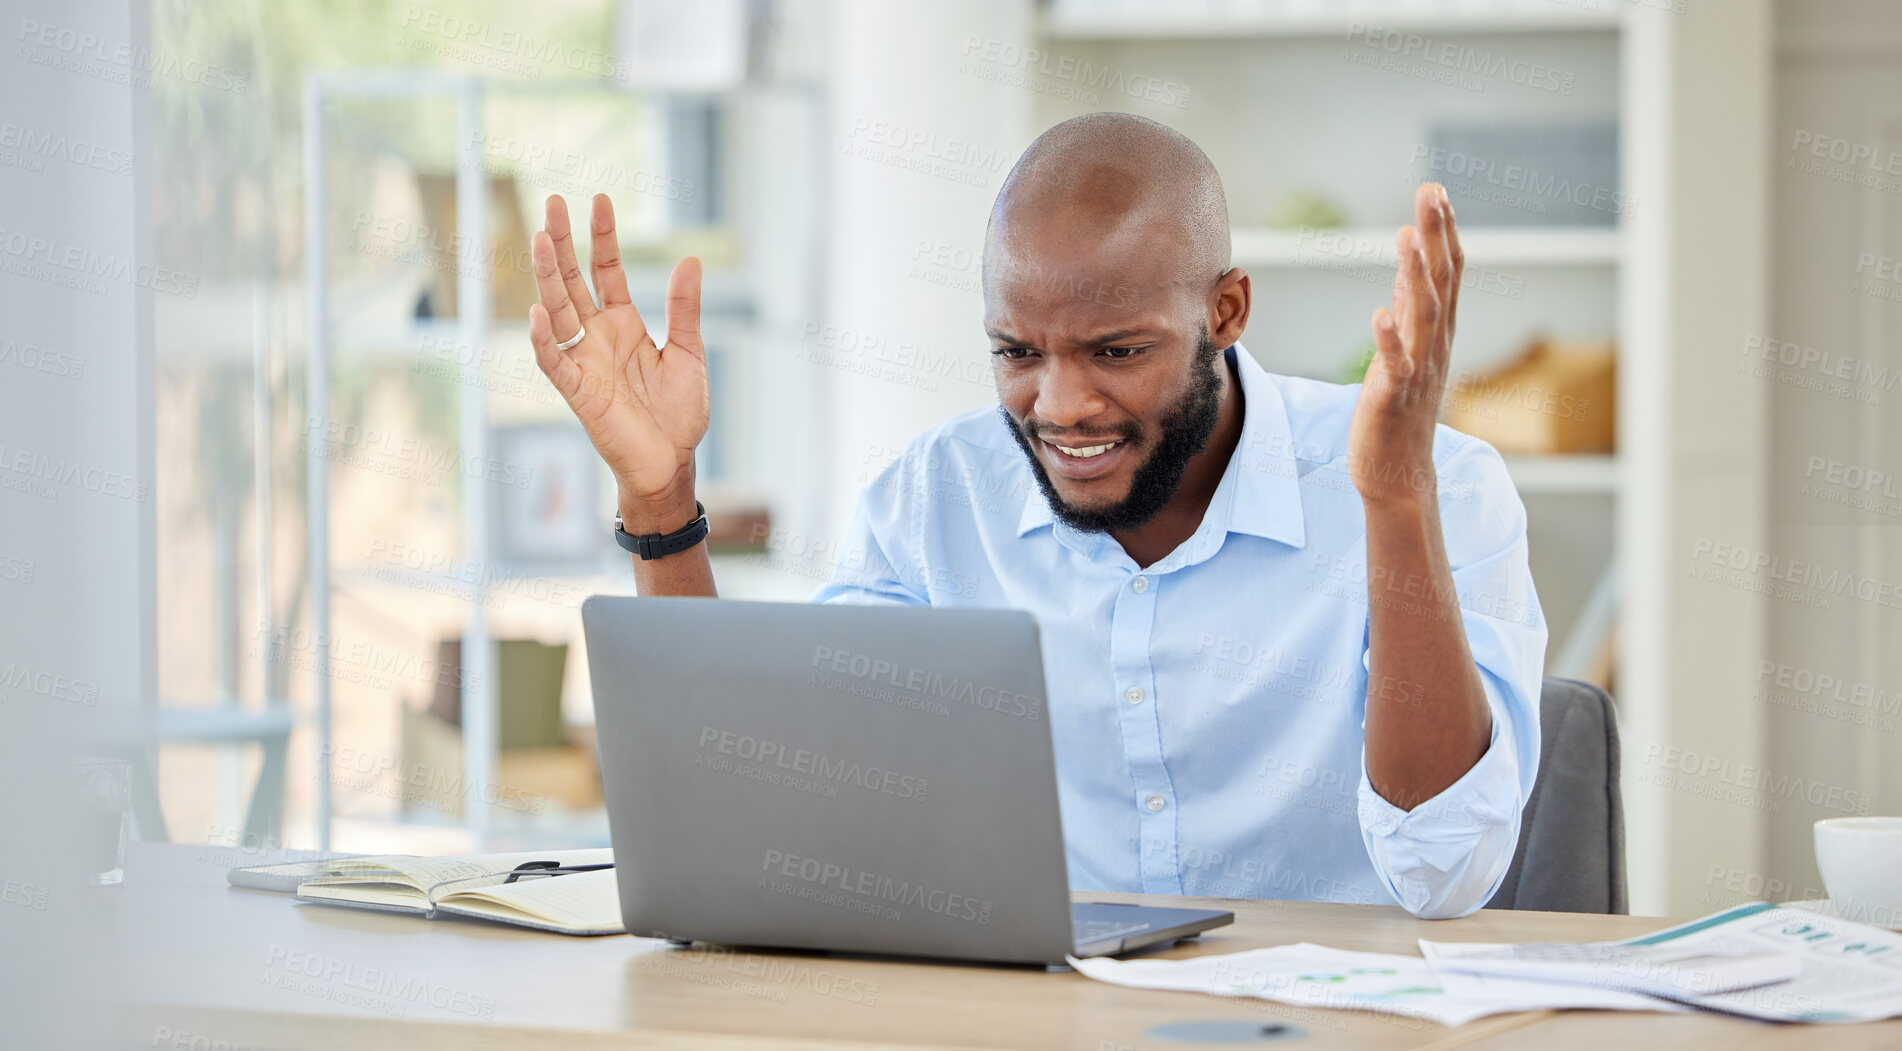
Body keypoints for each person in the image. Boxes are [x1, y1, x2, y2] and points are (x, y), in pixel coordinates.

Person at [526, 113, 1544, 919]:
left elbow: (1442, 871)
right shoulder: (936, 498)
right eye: (1018, 352)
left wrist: (1392, 501)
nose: (1060, 406)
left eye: (1115, 351)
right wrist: (662, 498)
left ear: (1225, 313)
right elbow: (758, 823)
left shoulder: (1439, 484)